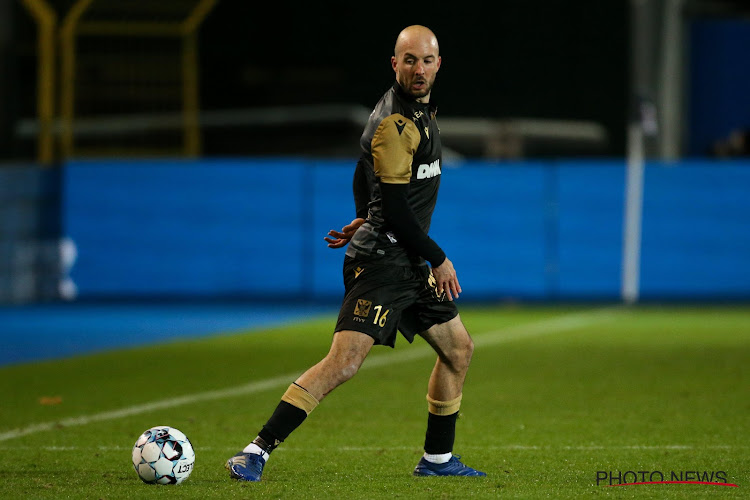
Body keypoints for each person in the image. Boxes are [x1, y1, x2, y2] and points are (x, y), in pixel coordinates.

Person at [226, 24, 486, 481]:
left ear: (439, 63)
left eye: (427, 60)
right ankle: (255, 451)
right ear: (395, 64)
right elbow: (401, 213)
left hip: (405, 259)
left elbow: (363, 170)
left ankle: (437, 461)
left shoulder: (420, 113)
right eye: (409, 60)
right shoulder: (396, 121)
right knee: (344, 363)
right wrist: (438, 257)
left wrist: (365, 213)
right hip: (382, 262)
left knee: (459, 349)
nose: (419, 69)